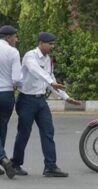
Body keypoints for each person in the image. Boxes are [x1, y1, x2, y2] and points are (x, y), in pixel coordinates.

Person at [11, 32, 81, 177]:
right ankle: (15, 164)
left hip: (41, 101)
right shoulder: (30, 56)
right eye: (50, 44)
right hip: (26, 100)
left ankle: (50, 166)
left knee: (48, 132)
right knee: (24, 133)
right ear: (41, 43)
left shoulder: (48, 59)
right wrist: (50, 82)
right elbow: (36, 72)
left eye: (52, 44)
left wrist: (66, 98)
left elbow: (51, 79)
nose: (52, 46)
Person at [0, 25, 21, 179]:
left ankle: (2, 158)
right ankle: (2, 158)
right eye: (15, 36)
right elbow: (16, 79)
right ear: (8, 37)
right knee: (2, 128)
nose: (16, 39)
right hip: (6, 94)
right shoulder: (13, 52)